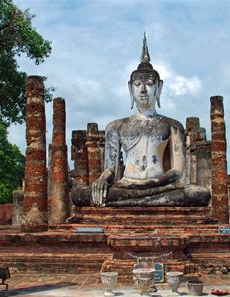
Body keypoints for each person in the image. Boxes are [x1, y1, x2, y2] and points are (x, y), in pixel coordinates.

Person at [72, 34, 210, 207]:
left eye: (150, 84)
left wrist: (147, 184)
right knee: (79, 195)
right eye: (137, 84)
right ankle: (142, 201)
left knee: (199, 194)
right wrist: (101, 179)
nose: (143, 90)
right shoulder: (116, 127)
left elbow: (177, 172)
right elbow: (110, 170)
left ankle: (130, 203)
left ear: (159, 87)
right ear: (130, 88)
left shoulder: (173, 126)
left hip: (160, 186)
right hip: (125, 185)